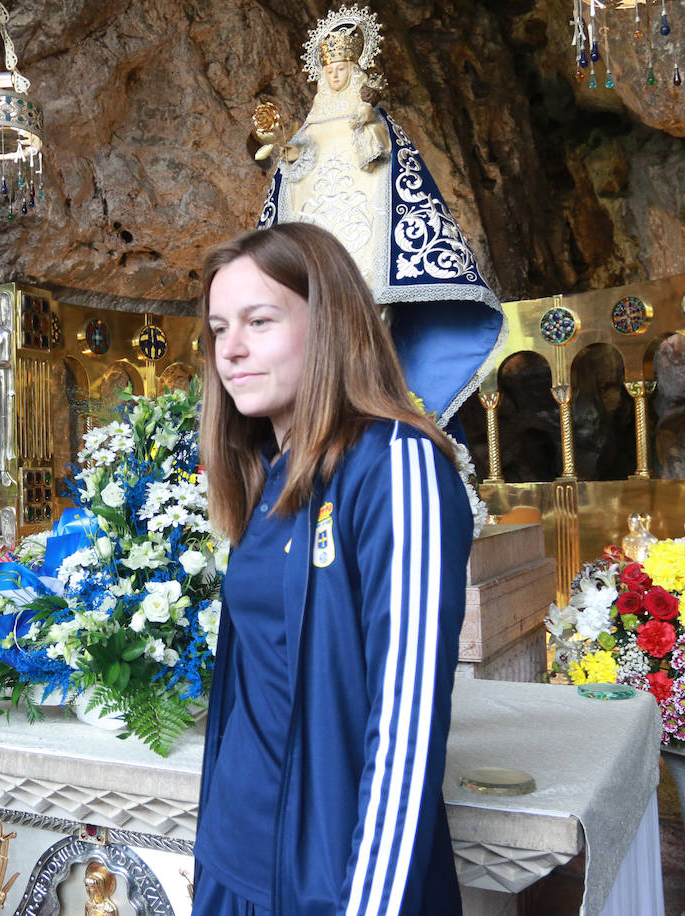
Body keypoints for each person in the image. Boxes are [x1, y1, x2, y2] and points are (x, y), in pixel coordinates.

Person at [192, 222, 473, 915]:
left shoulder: (393, 464)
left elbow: (406, 724)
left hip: (331, 882)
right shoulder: (268, 478)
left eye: (259, 321)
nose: (231, 349)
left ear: (330, 323)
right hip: (236, 860)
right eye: (219, 328)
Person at [255, 6, 504, 429]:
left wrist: (365, 126)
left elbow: (385, 168)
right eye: (329, 68)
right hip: (317, 254)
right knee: (318, 340)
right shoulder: (307, 131)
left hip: (366, 253)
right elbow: (293, 180)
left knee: (367, 337)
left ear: (356, 68)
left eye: (343, 67)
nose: (335, 75)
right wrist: (285, 150)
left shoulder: (375, 122)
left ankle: (372, 406)